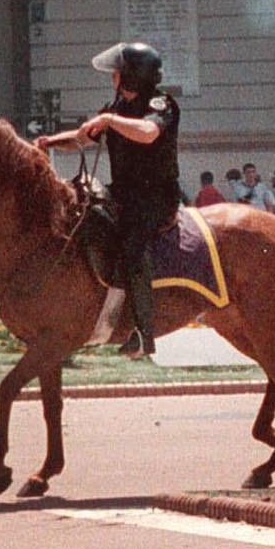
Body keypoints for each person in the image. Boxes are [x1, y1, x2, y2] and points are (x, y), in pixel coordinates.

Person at [37, 41, 180, 358]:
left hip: (155, 199)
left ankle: (144, 334)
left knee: (133, 246)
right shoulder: (115, 108)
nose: (112, 78)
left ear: (132, 76)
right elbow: (80, 139)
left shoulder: (161, 104)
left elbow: (147, 132)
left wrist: (110, 122)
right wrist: (47, 143)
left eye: (117, 73)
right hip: (124, 194)